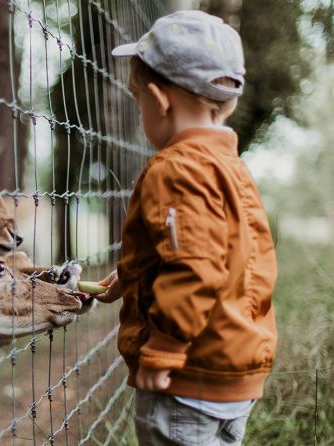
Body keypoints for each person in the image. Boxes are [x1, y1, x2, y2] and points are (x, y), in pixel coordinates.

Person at [94, 10, 278, 445]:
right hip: (232, 371)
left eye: (137, 99)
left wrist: (165, 347)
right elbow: (223, 254)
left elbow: (195, 266)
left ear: (160, 101)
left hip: (185, 378)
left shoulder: (175, 169)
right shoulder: (231, 168)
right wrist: (134, 274)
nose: (141, 110)